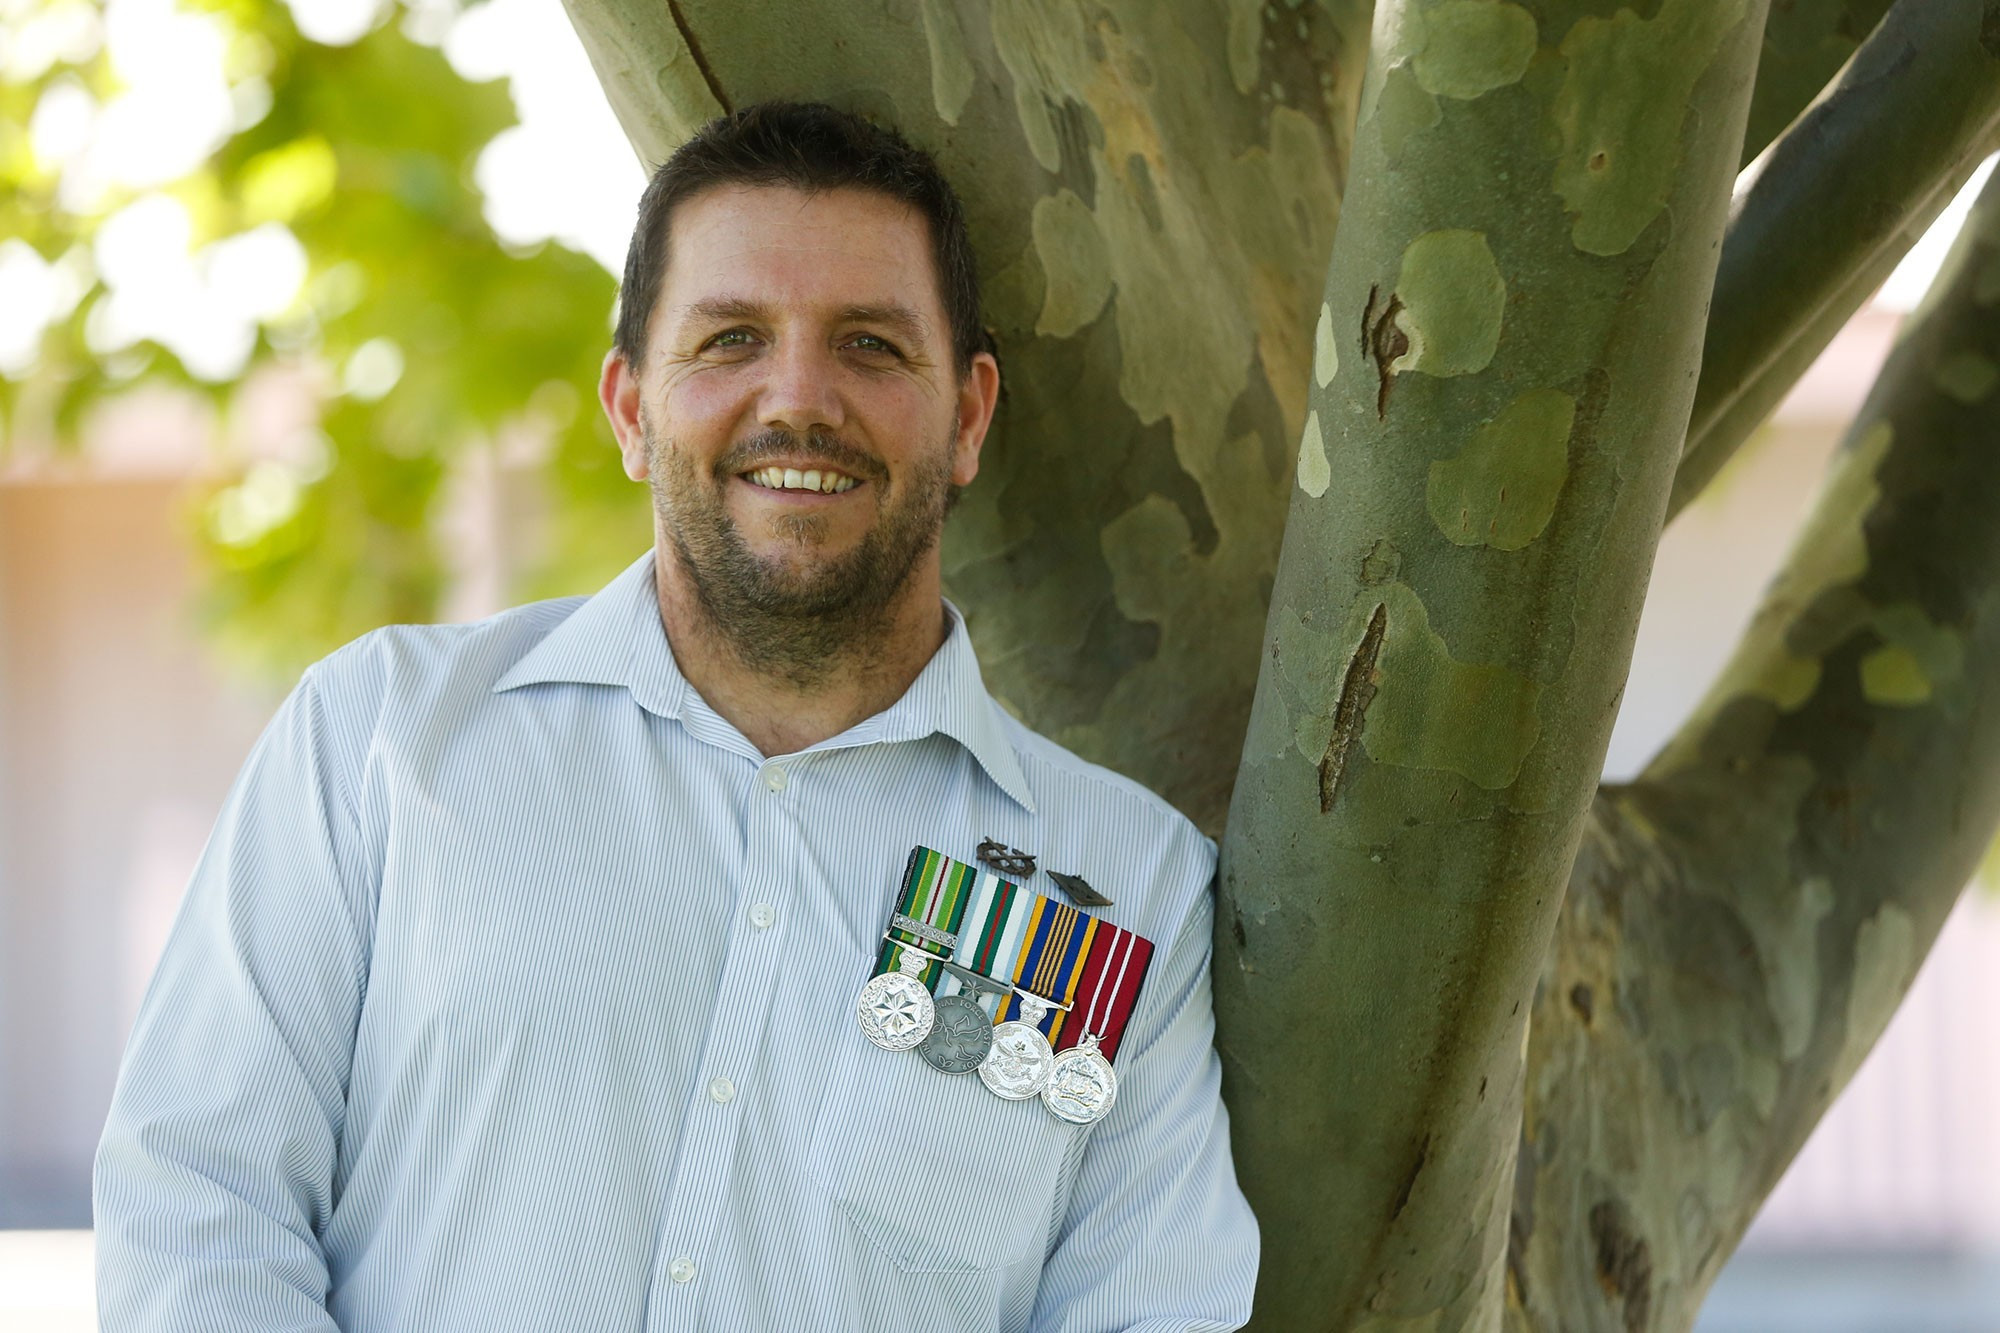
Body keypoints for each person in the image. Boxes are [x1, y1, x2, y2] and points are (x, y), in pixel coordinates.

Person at [94, 100, 1258, 1332]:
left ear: (965, 415)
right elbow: (198, 1205)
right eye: (729, 339)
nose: (797, 397)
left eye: (868, 343)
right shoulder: (382, 738)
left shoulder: (1121, 886)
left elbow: (1151, 1311)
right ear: (631, 406)